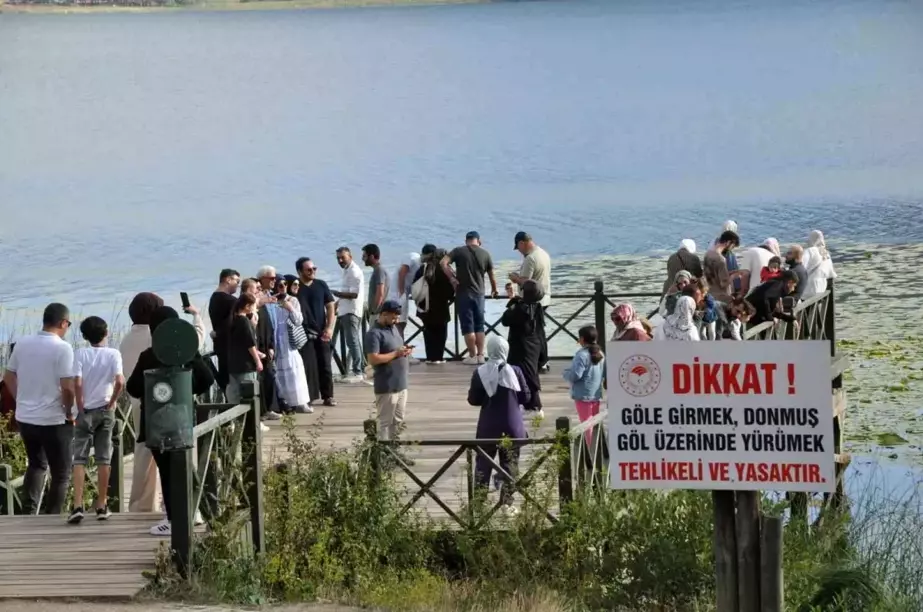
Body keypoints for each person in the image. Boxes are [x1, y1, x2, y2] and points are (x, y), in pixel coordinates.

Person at [127, 306, 215, 536]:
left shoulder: (148, 355)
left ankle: (174, 519)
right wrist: (187, 389)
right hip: (183, 420)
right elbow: (207, 379)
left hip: (156, 423)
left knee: (166, 472)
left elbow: (133, 388)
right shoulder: (188, 353)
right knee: (186, 467)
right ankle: (193, 512)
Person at [2, 303, 75, 515]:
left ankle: (29, 512)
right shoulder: (63, 348)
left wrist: (20, 399)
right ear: (63, 323)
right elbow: (68, 387)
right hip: (53, 420)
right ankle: (52, 518)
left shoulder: (23, 343)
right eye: (68, 324)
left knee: (36, 465)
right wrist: (69, 411)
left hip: (26, 418)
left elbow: (8, 376)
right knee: (61, 474)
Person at [68, 316, 124, 524]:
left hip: (86, 411)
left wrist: (80, 405)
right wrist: (112, 402)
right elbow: (120, 381)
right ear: (106, 333)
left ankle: (77, 505)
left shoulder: (80, 353)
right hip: (105, 410)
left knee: (79, 459)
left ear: (84, 336)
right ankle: (102, 504)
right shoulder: (113, 354)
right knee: (104, 458)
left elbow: (78, 382)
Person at [467, 336, 530, 513]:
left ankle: (478, 505)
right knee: (511, 463)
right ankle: (507, 504)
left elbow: (473, 400)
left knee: (483, 464)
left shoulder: (480, 372)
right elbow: (526, 397)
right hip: (512, 425)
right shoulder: (515, 371)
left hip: (488, 425)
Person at [121, 292, 164, 513]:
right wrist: (198, 322)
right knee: (164, 452)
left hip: (136, 400)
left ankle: (141, 503)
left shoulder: (126, 340)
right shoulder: (155, 336)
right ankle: (167, 503)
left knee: (142, 452)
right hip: (158, 402)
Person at [441, 231, 499, 365]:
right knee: (479, 325)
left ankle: (472, 355)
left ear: (466, 240)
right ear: (479, 241)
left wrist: (451, 278)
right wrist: (494, 289)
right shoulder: (485, 253)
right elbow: (492, 275)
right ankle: (480, 355)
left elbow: (443, 263)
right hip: (480, 294)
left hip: (463, 294)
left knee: (468, 326)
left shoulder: (458, 251)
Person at [364, 300, 412, 440]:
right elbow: (373, 359)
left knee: (398, 420)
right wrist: (396, 354)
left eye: (398, 317)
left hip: (401, 384)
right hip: (386, 385)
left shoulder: (394, 329)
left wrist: (404, 351)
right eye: (394, 317)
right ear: (384, 314)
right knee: (384, 423)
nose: (396, 320)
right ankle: (382, 455)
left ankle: (395, 455)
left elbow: (395, 349)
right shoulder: (374, 334)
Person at [295, 257, 337, 407]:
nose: (312, 271)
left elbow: (330, 306)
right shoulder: (295, 286)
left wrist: (329, 327)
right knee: (308, 365)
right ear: (300, 271)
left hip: (322, 331)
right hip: (303, 332)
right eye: (308, 269)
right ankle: (309, 396)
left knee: (325, 363)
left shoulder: (321, 285)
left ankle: (328, 396)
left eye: (314, 268)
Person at [509, 231, 552, 372]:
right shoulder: (543, 253)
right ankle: (543, 361)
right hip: (544, 297)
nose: (519, 251)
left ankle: (540, 362)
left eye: (518, 248)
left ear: (522, 243)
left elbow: (526, 282)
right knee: (540, 332)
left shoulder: (530, 258)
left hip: (533, 301)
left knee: (533, 333)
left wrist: (515, 278)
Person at [501, 280, 544, 415]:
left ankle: (533, 405)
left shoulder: (520, 308)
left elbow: (505, 320)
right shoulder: (537, 307)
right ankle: (531, 405)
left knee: (522, 374)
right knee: (531, 373)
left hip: (520, 345)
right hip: (535, 344)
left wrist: (513, 303)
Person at [272, 276, 312, 414]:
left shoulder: (292, 300)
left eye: (284, 284)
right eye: (279, 285)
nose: (282, 287)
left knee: (295, 371)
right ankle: (284, 403)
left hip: (289, 340)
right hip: (275, 340)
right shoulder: (271, 301)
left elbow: (298, 320)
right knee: (278, 372)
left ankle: (301, 402)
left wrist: (290, 308)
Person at [562, 325, 605, 449]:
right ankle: (598, 449)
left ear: (582, 339)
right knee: (594, 423)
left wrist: (565, 373)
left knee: (586, 424)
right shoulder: (600, 353)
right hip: (596, 394)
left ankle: (590, 452)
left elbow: (575, 375)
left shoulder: (581, 355)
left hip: (582, 395)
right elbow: (604, 372)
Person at [415, 244, 455, 365]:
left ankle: (430, 357)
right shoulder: (443, 269)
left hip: (424, 306)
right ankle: (438, 357)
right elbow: (450, 290)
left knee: (428, 332)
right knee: (441, 333)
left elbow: (415, 286)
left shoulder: (422, 269)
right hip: (441, 306)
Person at [332, 247, 366, 382]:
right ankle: (360, 369)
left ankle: (358, 372)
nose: (340, 260)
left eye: (343, 258)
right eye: (338, 258)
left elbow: (354, 294)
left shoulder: (354, 271)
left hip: (352, 311)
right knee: (353, 341)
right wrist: (338, 302)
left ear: (350, 257)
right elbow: (348, 291)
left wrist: (336, 293)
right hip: (345, 310)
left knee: (352, 341)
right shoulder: (347, 270)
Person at [226, 293, 263, 404]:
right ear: (247, 306)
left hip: (233, 364)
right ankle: (251, 420)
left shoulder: (232, 320)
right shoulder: (244, 321)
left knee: (236, 395)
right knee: (249, 394)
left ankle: (236, 419)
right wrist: (258, 360)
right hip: (246, 365)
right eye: (253, 306)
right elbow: (249, 343)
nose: (255, 308)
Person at [208, 268, 240, 394]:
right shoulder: (229, 301)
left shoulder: (214, 298)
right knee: (233, 382)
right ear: (228, 279)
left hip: (221, 345)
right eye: (237, 281)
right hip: (230, 347)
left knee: (226, 382)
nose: (238, 285)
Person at [255, 266, 281, 419]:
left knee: (270, 375)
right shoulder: (257, 299)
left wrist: (271, 345)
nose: (274, 281)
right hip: (258, 345)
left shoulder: (269, 296)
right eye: (271, 278)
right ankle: (262, 411)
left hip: (269, 342)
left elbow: (271, 323)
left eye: (275, 278)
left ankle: (269, 408)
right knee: (264, 377)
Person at [703, 230, 739, 303]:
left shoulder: (708, 254)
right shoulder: (721, 259)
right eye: (732, 246)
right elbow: (724, 283)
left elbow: (713, 273)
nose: (731, 249)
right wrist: (733, 276)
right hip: (720, 297)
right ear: (728, 242)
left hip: (709, 293)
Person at [394, 252, 422, 341]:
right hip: (396, 293)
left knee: (402, 322)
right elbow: (402, 271)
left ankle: (400, 347)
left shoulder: (423, 266)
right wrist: (401, 291)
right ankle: (398, 348)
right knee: (398, 323)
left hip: (405, 294)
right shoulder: (414, 257)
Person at [802, 230, 837, 300]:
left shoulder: (810, 251)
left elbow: (802, 267)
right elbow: (831, 274)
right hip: (821, 290)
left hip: (809, 290)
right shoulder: (826, 254)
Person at [362, 244, 389, 317]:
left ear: (371, 257)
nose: (362, 259)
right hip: (378, 313)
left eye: (364, 256)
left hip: (378, 314)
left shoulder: (379, 270)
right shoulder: (377, 270)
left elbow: (380, 292)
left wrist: (374, 311)